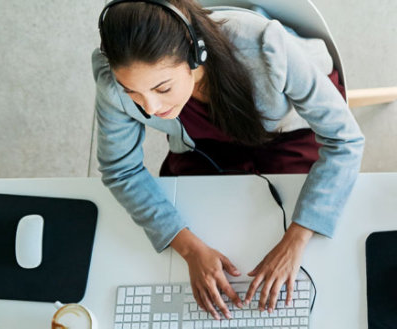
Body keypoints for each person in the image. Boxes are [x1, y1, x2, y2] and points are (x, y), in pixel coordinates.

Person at [94, 0, 364, 319]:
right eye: (132, 93)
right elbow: (120, 170)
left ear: (195, 58)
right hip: (204, 146)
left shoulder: (266, 48)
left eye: (162, 88)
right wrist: (190, 249)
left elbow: (345, 139)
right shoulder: (114, 81)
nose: (149, 108)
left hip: (286, 133)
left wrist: (296, 237)